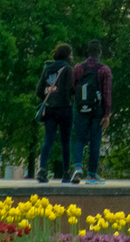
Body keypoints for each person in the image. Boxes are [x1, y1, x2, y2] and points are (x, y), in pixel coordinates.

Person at [70, 40, 112, 184]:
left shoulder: (78, 68)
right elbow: (107, 92)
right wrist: (107, 113)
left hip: (81, 109)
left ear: (87, 52)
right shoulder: (104, 70)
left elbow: (73, 88)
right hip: (97, 111)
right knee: (95, 141)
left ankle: (78, 167)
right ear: (99, 52)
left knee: (79, 140)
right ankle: (92, 175)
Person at [35, 42, 76, 184]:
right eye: (71, 55)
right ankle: (66, 173)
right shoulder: (67, 69)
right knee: (65, 141)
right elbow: (69, 90)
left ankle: (42, 170)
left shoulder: (47, 68)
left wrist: (49, 98)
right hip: (65, 109)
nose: (72, 57)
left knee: (48, 140)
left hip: (49, 109)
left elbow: (39, 90)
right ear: (66, 56)